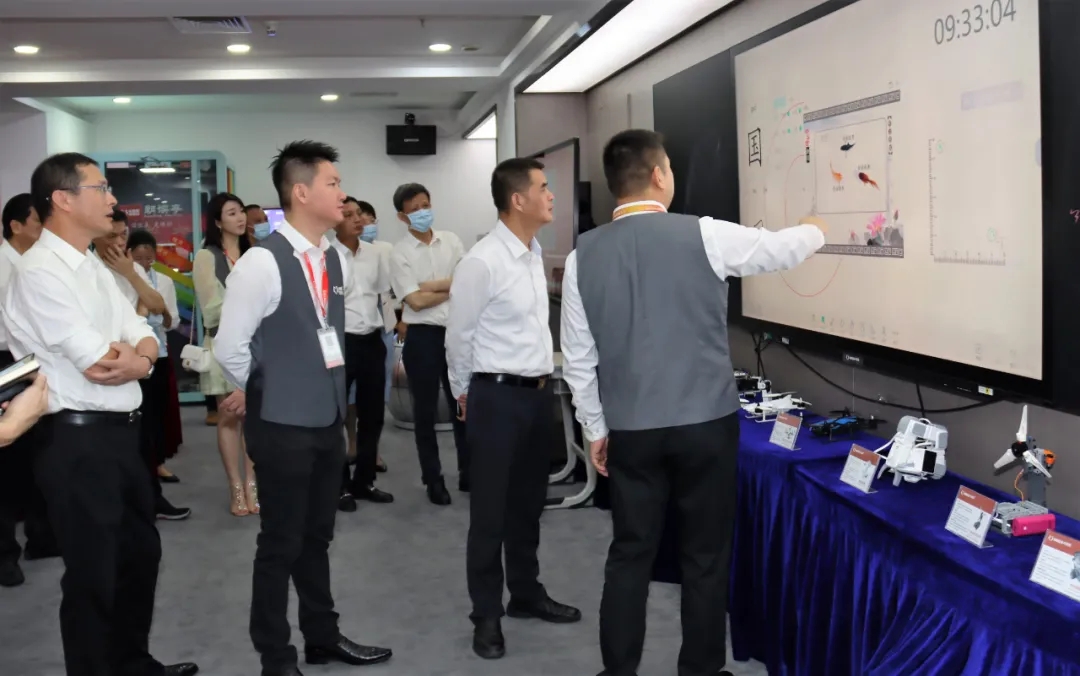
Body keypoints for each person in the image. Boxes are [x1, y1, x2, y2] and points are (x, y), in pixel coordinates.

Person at [559, 129, 826, 676]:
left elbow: (579, 358)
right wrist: (816, 229)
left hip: (631, 429)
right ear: (659, 175)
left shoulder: (583, 256)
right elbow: (779, 249)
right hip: (706, 425)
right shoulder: (704, 234)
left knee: (630, 554)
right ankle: (701, 670)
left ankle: (618, 671)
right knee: (705, 556)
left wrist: (595, 429)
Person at [4, 152, 198, 676]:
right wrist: (137, 358)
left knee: (139, 555)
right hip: (75, 439)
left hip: (121, 435)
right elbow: (96, 362)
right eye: (101, 188)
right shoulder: (39, 272)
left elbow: (139, 331)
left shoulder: (90, 263)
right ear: (63, 200)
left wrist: (140, 357)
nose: (113, 199)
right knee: (94, 572)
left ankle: (133, 663)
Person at [214, 140, 392, 676]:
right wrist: (267, 390)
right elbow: (230, 348)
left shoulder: (333, 257)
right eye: (332, 183)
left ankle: (322, 636)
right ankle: (275, 657)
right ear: (300, 192)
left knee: (317, 538)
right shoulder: (261, 264)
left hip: (325, 421)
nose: (343, 194)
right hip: (282, 424)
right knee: (280, 544)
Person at [447, 157, 582, 660]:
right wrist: (464, 394)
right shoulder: (482, 261)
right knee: (490, 513)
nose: (551, 195)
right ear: (517, 199)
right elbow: (458, 337)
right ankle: (486, 616)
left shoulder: (531, 253)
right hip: (496, 397)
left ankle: (525, 593)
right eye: (543, 188)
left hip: (536, 395)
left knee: (528, 506)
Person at [389, 183, 469, 505]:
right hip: (422, 336)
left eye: (425, 205)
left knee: (462, 404)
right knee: (424, 412)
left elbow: (467, 283)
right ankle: (433, 478)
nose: (422, 212)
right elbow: (415, 302)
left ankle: (468, 471)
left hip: (456, 333)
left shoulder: (451, 241)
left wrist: (430, 286)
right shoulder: (400, 253)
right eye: (414, 209)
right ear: (402, 216)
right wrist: (449, 288)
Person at [0, 192, 58, 588]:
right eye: (38, 221)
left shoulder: (37, 263)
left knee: (37, 452)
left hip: (33, 362)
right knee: (5, 461)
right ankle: (5, 553)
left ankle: (41, 536)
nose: (43, 228)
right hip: (5, 361)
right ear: (16, 225)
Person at [193, 193, 258, 516]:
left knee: (253, 418)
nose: (240, 217)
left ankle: (252, 483)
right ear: (217, 222)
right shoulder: (207, 257)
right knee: (230, 416)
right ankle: (235, 486)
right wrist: (248, 306)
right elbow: (211, 309)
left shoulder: (254, 254)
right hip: (222, 344)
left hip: (255, 346)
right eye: (231, 213)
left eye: (241, 211)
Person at [332, 196, 393, 511]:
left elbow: (382, 295)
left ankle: (364, 481)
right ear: (335, 220)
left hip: (372, 340)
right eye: (348, 215)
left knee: (373, 415)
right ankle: (339, 485)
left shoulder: (374, 254)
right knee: (336, 416)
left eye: (359, 214)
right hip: (340, 342)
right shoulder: (326, 256)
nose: (358, 219)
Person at [128, 228, 190, 517]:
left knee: (159, 415)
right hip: (135, 356)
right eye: (138, 257)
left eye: (148, 256)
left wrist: (162, 313)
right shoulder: (126, 280)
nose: (144, 262)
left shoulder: (164, 280)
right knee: (143, 419)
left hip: (160, 353)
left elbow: (172, 320)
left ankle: (157, 464)